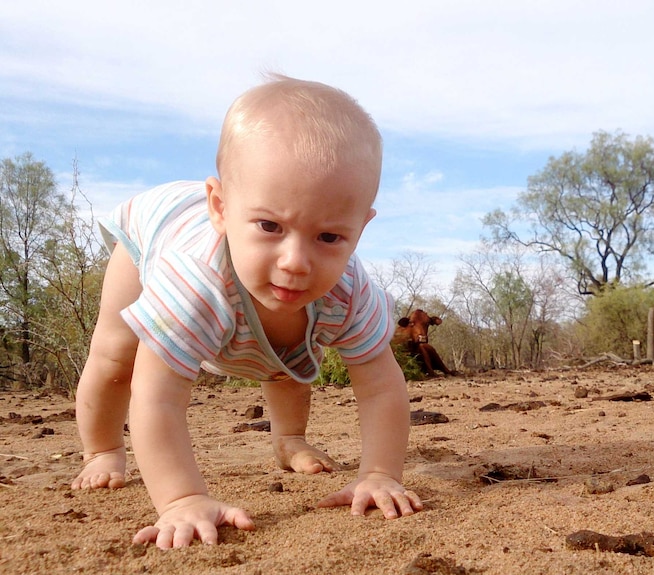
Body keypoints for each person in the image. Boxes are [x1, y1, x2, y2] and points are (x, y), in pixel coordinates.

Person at [71, 74, 423, 549]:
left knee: (290, 358)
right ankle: (102, 449)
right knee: (117, 356)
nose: (296, 262)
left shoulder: (349, 291)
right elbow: (157, 398)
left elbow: (381, 388)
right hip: (152, 235)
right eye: (269, 225)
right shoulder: (192, 283)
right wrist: (182, 499)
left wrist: (381, 472)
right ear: (219, 206)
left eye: (329, 237)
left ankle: (289, 439)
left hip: (254, 309)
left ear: (361, 227)